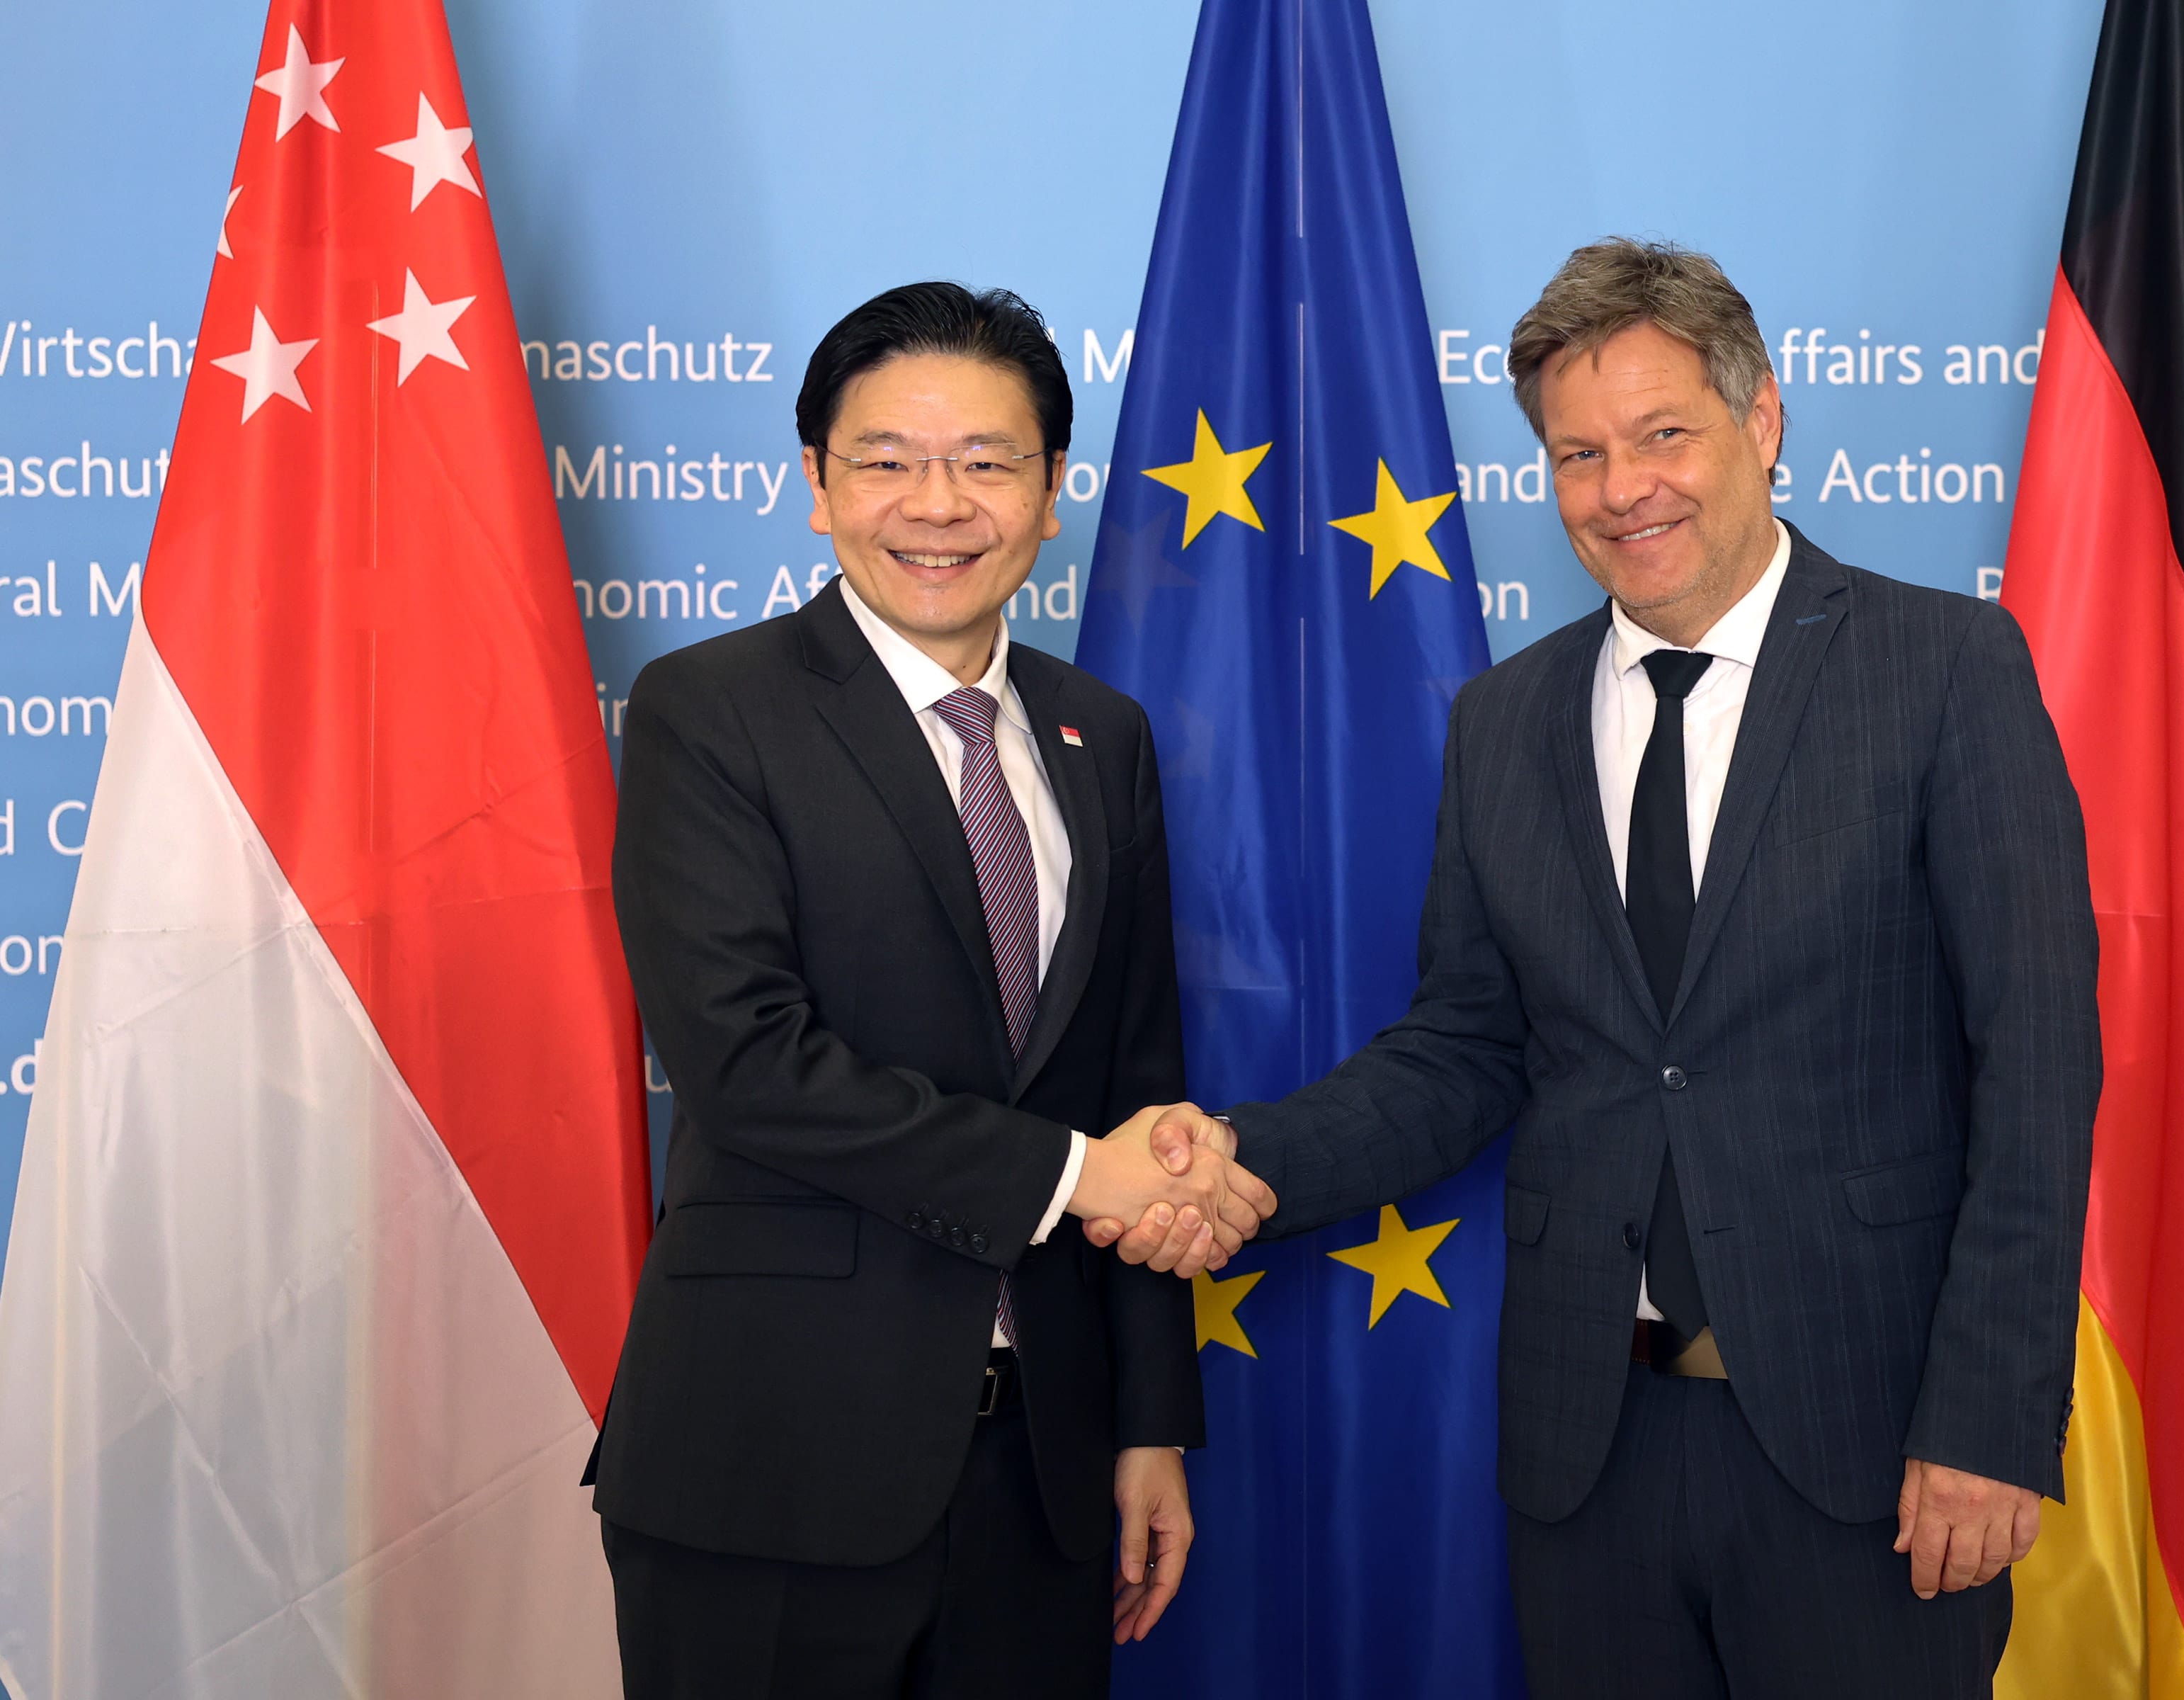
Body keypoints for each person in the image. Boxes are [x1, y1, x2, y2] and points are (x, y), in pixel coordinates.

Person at [1105, 239, 2100, 1697]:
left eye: (1664, 435)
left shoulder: (1944, 669)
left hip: (1875, 1448)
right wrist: (1240, 1159)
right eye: (1579, 453)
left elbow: (2037, 1068)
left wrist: (1989, 1423)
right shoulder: (1507, 721)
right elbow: (1464, 1048)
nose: (1623, 486)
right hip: (1593, 1455)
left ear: (1761, 423)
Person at [588, 280, 1275, 1700]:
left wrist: (1150, 1422)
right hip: (771, 1463)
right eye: (888, 461)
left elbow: (1133, 1084)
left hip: (1041, 1471)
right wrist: (1079, 1176)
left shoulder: (1104, 738)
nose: (937, 503)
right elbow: (748, 1063)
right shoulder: (711, 711)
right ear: (816, 489)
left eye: (986, 462)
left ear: (1050, 492)